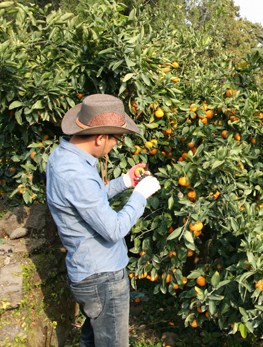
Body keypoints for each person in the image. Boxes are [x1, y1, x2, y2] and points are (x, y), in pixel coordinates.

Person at [46, 94, 161, 347]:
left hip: (89, 274)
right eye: (116, 140)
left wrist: (125, 182)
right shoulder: (76, 173)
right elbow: (114, 229)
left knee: (92, 340)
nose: (115, 146)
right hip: (102, 278)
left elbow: (89, 200)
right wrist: (140, 194)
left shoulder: (64, 157)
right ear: (100, 138)